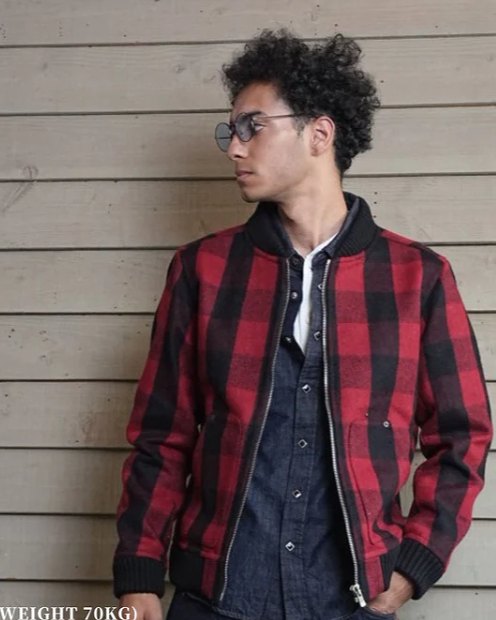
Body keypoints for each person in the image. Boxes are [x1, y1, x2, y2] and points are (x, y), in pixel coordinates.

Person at [112, 30, 492, 620]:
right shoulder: (203, 270)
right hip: (215, 596)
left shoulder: (417, 277)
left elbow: (463, 435)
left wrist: (414, 565)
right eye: (230, 131)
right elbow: (163, 436)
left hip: (353, 600)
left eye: (252, 126)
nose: (235, 149)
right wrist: (138, 575)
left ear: (319, 133)